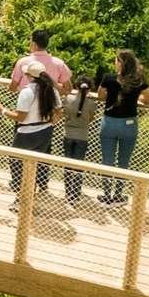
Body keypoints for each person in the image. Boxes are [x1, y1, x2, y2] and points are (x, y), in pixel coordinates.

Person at [0, 60, 59, 211]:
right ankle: (30, 197)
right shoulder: (52, 90)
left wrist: (2, 110)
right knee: (35, 165)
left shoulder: (27, 91)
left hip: (26, 133)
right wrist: (48, 122)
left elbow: (20, 117)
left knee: (16, 164)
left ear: (29, 76)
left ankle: (20, 198)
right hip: (45, 131)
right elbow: (58, 113)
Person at [97, 50, 149, 206]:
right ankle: (119, 195)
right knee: (123, 161)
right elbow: (148, 99)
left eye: (116, 60)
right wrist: (136, 98)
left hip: (109, 123)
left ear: (120, 62)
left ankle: (107, 196)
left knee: (107, 160)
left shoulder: (108, 78)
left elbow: (101, 96)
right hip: (129, 124)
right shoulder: (138, 80)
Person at [60, 77, 97, 206]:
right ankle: (75, 195)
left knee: (68, 164)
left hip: (68, 134)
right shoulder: (92, 103)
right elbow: (91, 118)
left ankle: (67, 192)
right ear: (89, 89)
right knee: (78, 166)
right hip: (82, 136)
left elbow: (64, 113)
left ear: (76, 87)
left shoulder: (68, 99)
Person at [9, 29, 72, 95]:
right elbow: (68, 89)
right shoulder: (59, 63)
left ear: (34, 44)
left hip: (26, 103)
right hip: (49, 104)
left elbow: (13, 87)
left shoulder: (22, 62)